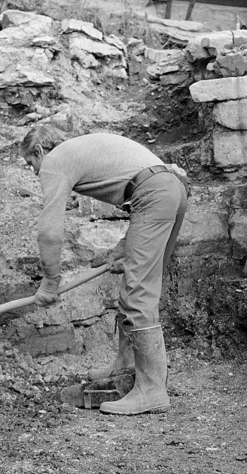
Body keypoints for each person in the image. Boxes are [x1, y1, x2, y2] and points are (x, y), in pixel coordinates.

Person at [19, 125, 188, 414]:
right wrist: (125, 244)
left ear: (39, 151)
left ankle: (151, 391)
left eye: (30, 164)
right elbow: (140, 181)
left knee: (138, 295)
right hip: (169, 189)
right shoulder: (78, 151)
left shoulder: (54, 161)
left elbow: (49, 231)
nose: (34, 172)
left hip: (152, 196)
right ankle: (127, 366)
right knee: (137, 288)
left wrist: (50, 282)